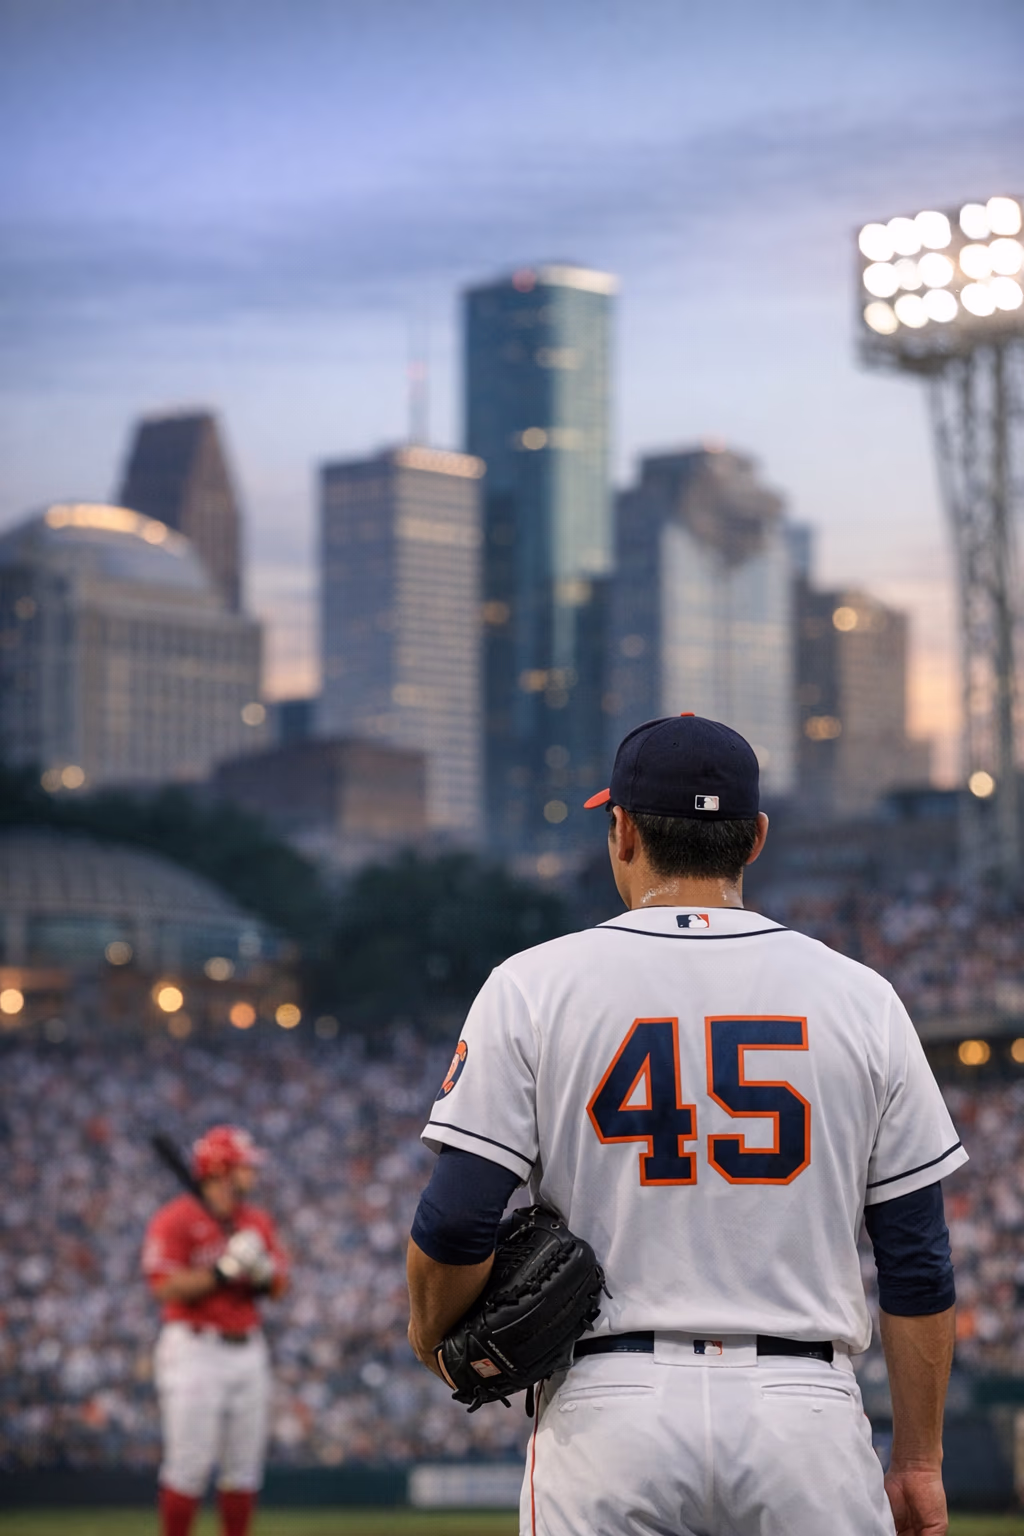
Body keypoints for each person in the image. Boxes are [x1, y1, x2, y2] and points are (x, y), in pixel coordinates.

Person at [407, 714, 966, 1536]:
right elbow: (916, 1256)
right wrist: (918, 1461)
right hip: (803, 1415)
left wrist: (432, 1343)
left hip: (612, 1408)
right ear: (756, 839)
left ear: (621, 830)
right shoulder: (862, 998)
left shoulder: (533, 985)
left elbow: (457, 1220)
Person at [142, 1124, 288, 1536]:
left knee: (243, 1470)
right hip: (194, 1348)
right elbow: (165, 1286)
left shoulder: (254, 1221)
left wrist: (262, 1272)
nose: (252, 1173)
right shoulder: (175, 1218)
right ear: (221, 1169)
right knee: (187, 1467)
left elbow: (278, 1288)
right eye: (245, 1166)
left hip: (249, 1348)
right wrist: (224, 1271)